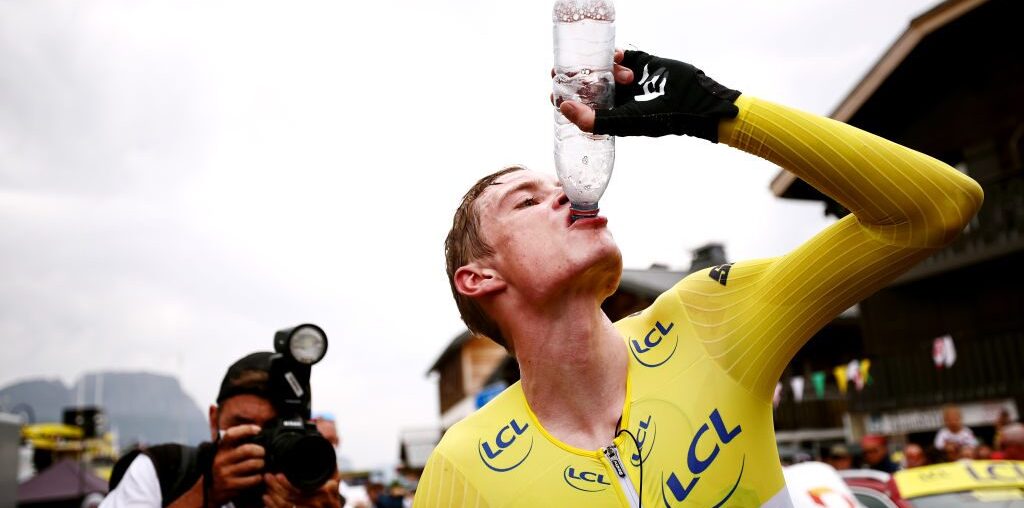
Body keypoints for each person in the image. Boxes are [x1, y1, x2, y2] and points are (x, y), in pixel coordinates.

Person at [416, 48, 982, 508]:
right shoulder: (463, 467)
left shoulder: (706, 317)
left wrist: (718, 113)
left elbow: (937, 208)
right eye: (526, 201)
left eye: (557, 185)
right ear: (478, 278)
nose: (567, 192)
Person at [101, 352, 342, 508]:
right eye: (243, 424)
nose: (258, 440)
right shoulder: (162, 470)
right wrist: (207, 494)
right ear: (214, 420)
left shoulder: (317, 491)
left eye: (273, 429)